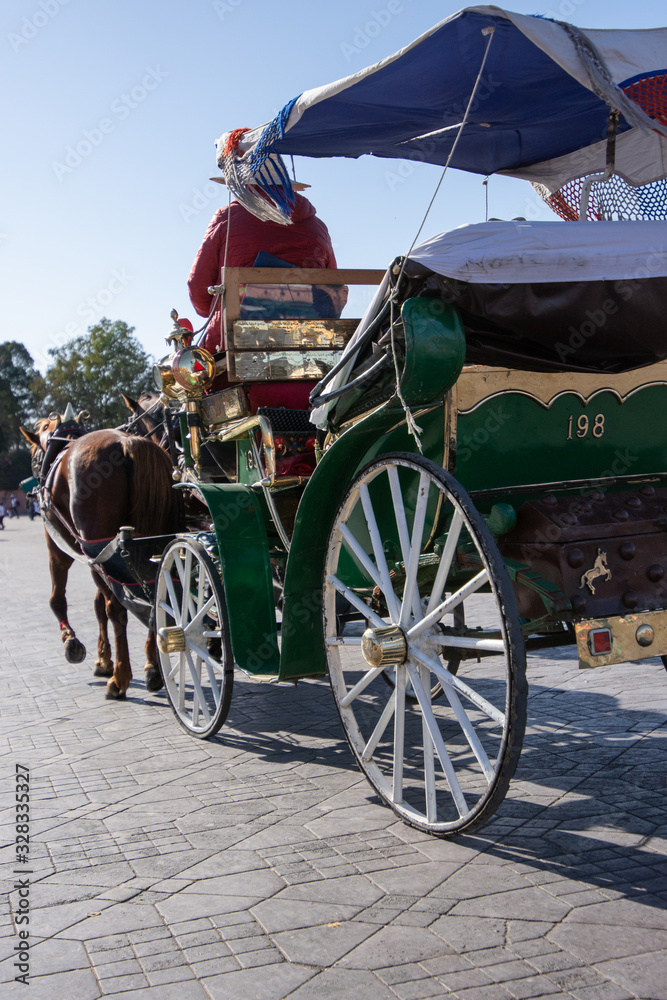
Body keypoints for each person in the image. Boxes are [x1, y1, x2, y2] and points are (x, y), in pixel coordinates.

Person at [188, 178, 344, 355]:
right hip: (309, 338)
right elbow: (332, 287)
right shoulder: (319, 227)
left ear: (246, 186)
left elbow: (198, 289)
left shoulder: (227, 217)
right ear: (287, 187)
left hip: (236, 340)